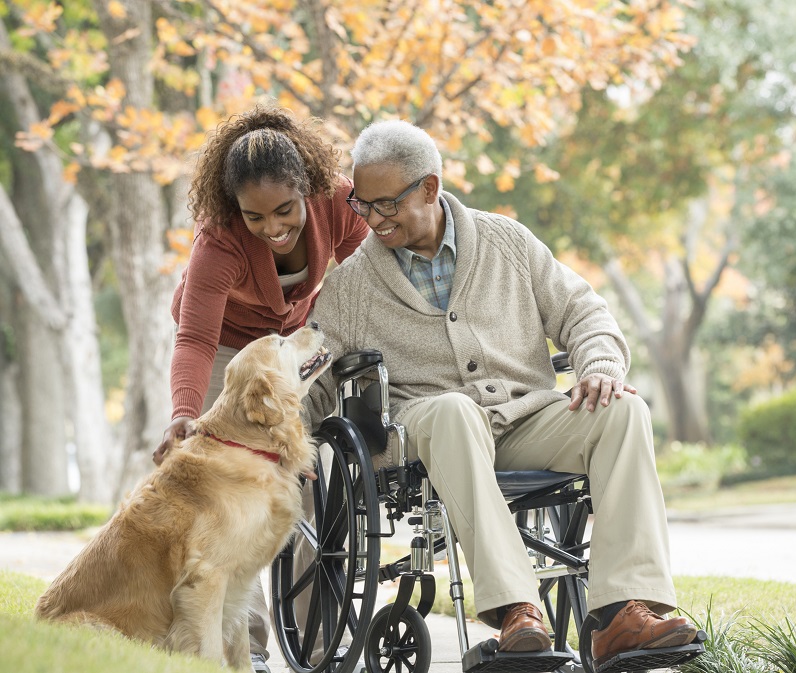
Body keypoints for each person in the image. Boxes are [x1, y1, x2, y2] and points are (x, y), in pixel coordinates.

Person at [301, 119, 698, 663]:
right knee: (453, 411)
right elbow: (316, 376)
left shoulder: (507, 241)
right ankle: (516, 611)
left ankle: (619, 614)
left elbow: (583, 311)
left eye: (387, 205)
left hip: (526, 419)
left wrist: (599, 363)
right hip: (428, 430)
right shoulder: (349, 287)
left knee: (623, 410)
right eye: (362, 205)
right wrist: (284, 436)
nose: (374, 219)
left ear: (430, 188)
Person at [154, 104, 369, 673]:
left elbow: (364, 271)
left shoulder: (338, 203)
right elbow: (196, 338)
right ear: (234, 210)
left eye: (285, 211)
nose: (273, 228)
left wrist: (327, 326)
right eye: (255, 217)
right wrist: (184, 412)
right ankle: (241, 647)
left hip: (292, 344)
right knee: (231, 503)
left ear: (309, 189)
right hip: (225, 350)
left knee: (308, 488)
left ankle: (322, 646)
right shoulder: (219, 243)